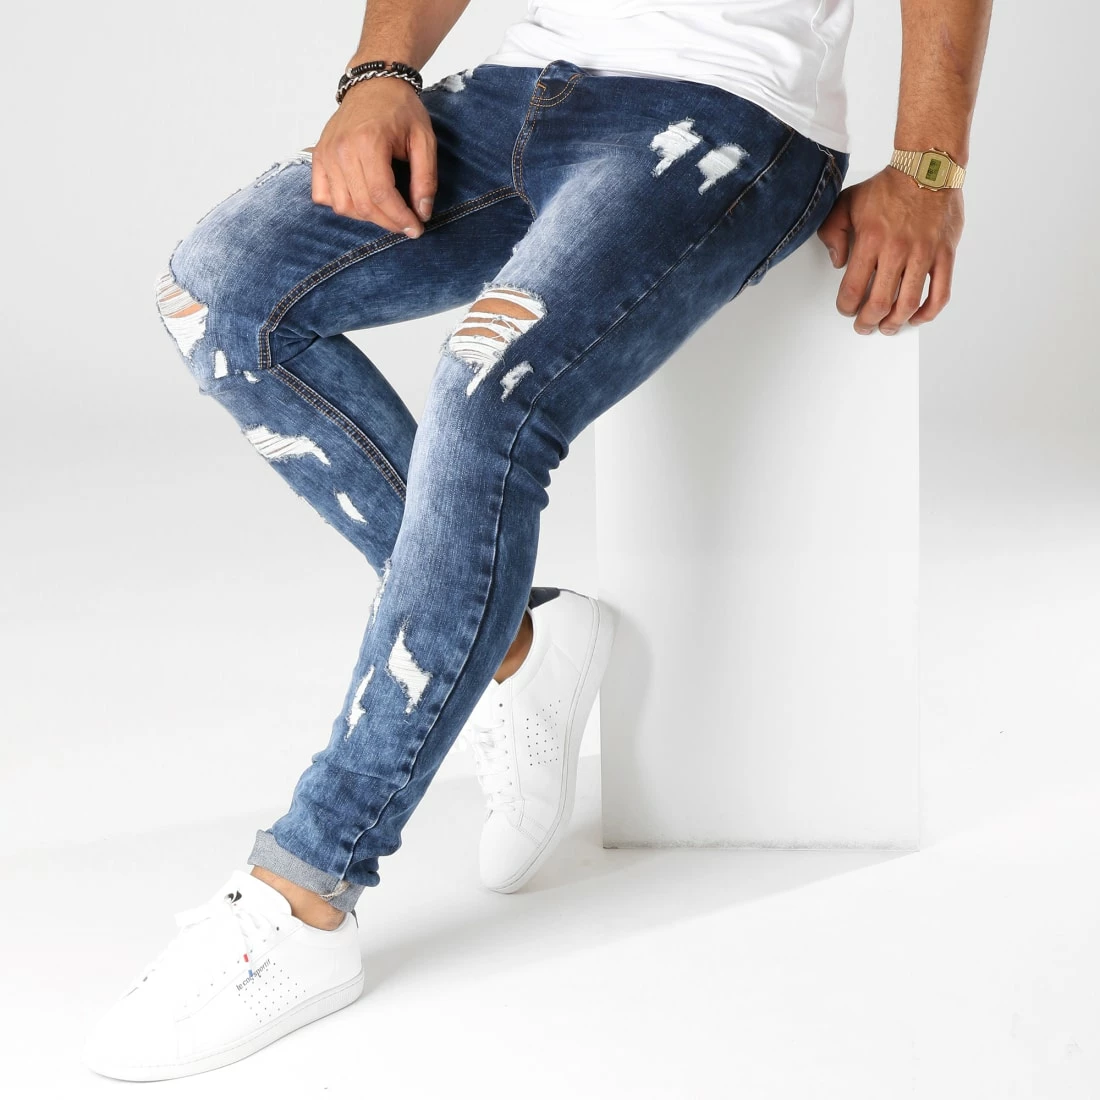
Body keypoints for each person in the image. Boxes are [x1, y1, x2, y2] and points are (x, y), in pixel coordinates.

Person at [84, 0, 990, 1080]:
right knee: (217, 294)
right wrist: (380, 71)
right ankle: (514, 644)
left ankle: (304, 896)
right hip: (529, 88)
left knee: (487, 390)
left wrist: (928, 169)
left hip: (730, 107)